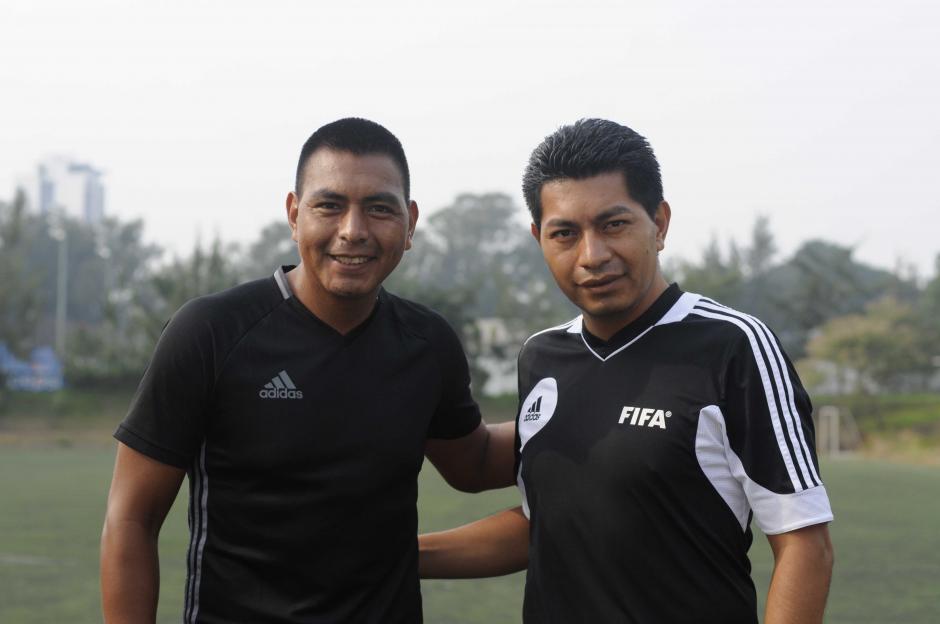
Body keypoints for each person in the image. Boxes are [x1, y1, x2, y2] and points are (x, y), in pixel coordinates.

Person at [100, 117, 515, 623]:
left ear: (409, 223)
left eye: (379, 208)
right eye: (330, 205)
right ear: (295, 215)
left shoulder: (427, 343)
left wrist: (584, 412)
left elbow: (474, 462)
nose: (353, 231)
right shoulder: (211, 332)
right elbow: (131, 519)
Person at [419, 118, 834, 623]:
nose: (592, 255)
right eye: (565, 233)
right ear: (538, 238)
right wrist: (394, 556)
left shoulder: (732, 346)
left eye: (613, 225)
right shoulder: (541, 357)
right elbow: (547, 525)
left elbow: (805, 545)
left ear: (659, 223)